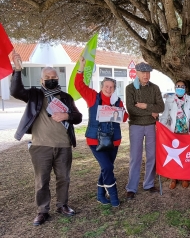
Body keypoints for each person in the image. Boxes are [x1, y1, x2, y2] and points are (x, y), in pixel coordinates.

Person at [10, 52, 82, 226]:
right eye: (47, 77)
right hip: (41, 146)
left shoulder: (65, 97)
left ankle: (62, 205)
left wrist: (67, 115)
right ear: (42, 80)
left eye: (54, 77)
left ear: (58, 78)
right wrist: (17, 70)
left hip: (63, 145)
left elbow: (78, 117)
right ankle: (42, 211)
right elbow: (15, 91)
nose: (51, 79)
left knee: (64, 178)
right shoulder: (35, 95)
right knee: (42, 180)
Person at [74, 57, 128, 207]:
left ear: (115, 88)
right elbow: (79, 85)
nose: (109, 89)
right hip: (95, 139)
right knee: (108, 167)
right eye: (106, 86)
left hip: (114, 140)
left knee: (107, 167)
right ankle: (114, 197)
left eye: (111, 87)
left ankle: (100, 195)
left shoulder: (118, 101)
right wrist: (81, 68)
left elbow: (124, 118)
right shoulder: (93, 97)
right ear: (102, 86)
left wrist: (120, 111)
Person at [125, 62, 164, 200]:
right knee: (135, 157)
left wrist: (145, 105)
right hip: (136, 125)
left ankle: (148, 184)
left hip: (151, 126)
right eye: (143, 72)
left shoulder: (155, 88)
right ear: (137, 73)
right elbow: (131, 109)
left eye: (148, 73)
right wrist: (150, 112)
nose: (146, 75)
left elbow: (160, 107)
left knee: (151, 156)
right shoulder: (130, 89)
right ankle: (131, 187)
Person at [160, 80, 190, 189]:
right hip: (173, 133)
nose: (180, 88)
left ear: (185, 89)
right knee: (173, 156)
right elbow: (165, 115)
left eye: (182, 86)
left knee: (185, 156)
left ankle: (185, 177)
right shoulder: (169, 100)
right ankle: (173, 178)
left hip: (186, 132)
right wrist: (160, 126)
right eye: (178, 86)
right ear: (175, 88)